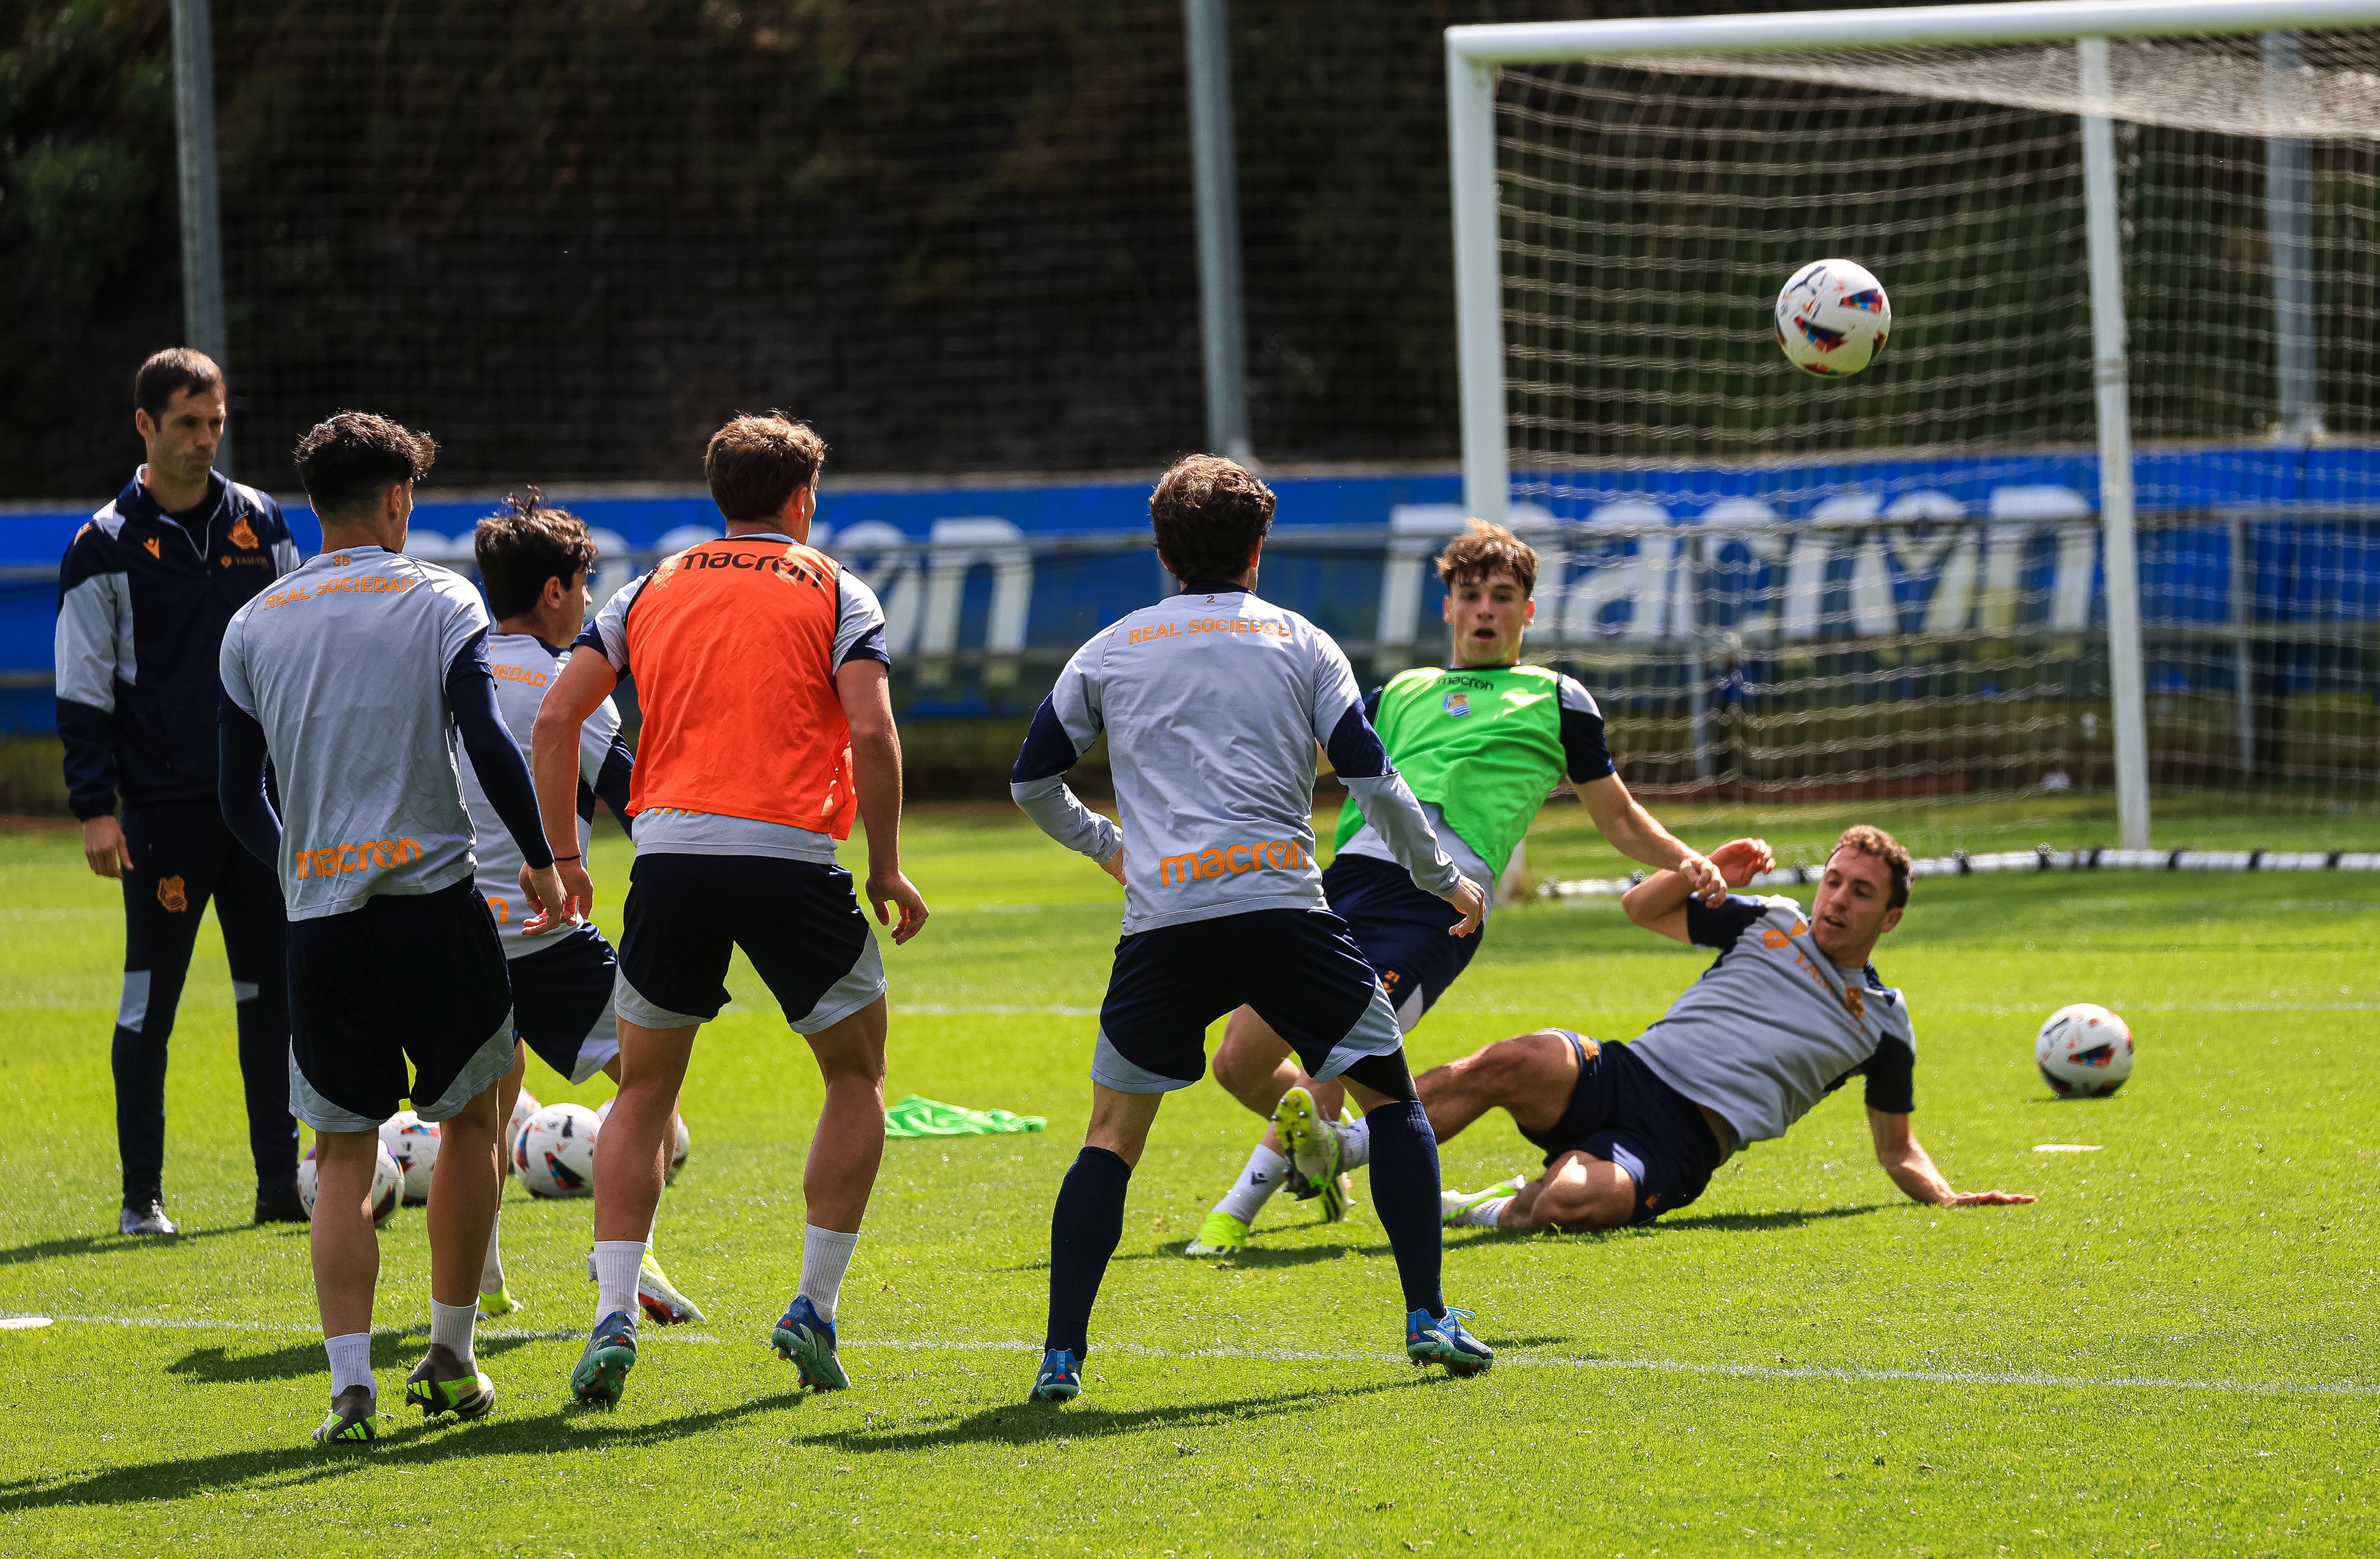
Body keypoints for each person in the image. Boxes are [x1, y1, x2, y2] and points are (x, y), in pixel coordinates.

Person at [1010, 454, 1495, 1404]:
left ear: (1162, 551)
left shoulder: (1109, 649)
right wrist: (1443, 879)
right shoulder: (1301, 642)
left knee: (1110, 1137)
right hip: (1284, 916)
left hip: (1164, 923)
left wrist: (1110, 848)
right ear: (1258, 550)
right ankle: (1427, 1317)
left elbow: (1031, 781)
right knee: (1391, 1103)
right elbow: (1372, 778)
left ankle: (1061, 1356)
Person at [526, 412, 928, 1407]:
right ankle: (813, 1308)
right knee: (856, 1075)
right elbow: (873, 733)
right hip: (790, 857)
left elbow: (557, 716)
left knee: (644, 1090)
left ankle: (613, 1313)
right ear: (801, 499)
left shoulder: (649, 587)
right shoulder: (837, 587)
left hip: (668, 857)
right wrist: (884, 865)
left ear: (718, 497)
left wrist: (567, 858)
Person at [1185, 519, 1728, 1256]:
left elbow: (1619, 817)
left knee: (1337, 1046)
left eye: (1501, 597)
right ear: (1446, 607)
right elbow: (1304, 760)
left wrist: (1684, 859)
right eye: (1470, 595)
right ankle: (1316, 1148)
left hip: (1437, 904)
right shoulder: (1399, 690)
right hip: (1339, 887)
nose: (1484, 610)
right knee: (1237, 1062)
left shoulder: (1558, 697)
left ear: (1527, 611)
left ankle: (1233, 1212)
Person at [217, 412, 568, 1444]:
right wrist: (542, 858)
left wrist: (302, 868)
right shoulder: (440, 597)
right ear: (399, 501)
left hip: (320, 922)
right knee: (471, 1122)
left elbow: (237, 797)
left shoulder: (254, 623)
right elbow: (486, 740)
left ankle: (349, 1390)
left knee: (340, 1156)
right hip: (432, 905)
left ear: (313, 506)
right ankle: (452, 1355)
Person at [1416, 826, 2035, 1232]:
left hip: (1680, 1142)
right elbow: (1640, 908)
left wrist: (1946, 1196)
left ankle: (1499, 1206)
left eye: (1862, 892)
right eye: (1833, 880)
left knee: (1564, 1204)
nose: (1838, 899)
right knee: (1513, 1060)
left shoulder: (1884, 1023)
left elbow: (1896, 1148)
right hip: (1626, 1073)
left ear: (1889, 918)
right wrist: (1704, 867)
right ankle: (1363, 1141)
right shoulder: (1771, 919)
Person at [56, 348, 305, 1235]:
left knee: (272, 1000)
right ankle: (141, 1199)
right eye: (188, 424)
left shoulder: (261, 522)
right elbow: (83, 685)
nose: (206, 440)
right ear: (146, 426)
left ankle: (280, 1186)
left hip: (260, 808)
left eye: (216, 423)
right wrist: (96, 805)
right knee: (148, 1004)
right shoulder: (103, 545)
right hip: (162, 814)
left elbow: (294, 653)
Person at [456, 492, 701, 1327]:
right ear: (555, 591)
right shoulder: (569, 684)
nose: (590, 602)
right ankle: (629, 1260)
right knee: (651, 1084)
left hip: (454, 926)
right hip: (545, 931)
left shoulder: (450, 669)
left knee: (487, 1103)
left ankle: (481, 1280)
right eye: (584, 585)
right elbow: (631, 796)